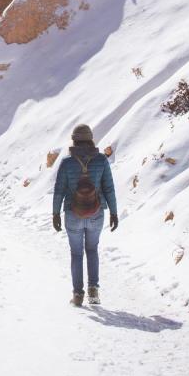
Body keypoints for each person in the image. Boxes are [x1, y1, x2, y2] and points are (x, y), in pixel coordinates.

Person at [52, 124, 118, 307]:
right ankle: (93, 292)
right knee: (92, 250)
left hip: (73, 214)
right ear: (90, 139)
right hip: (96, 213)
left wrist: (55, 213)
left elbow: (59, 190)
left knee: (76, 253)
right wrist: (113, 212)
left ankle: (78, 295)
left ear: (74, 140)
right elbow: (109, 188)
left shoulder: (66, 162)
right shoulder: (101, 160)